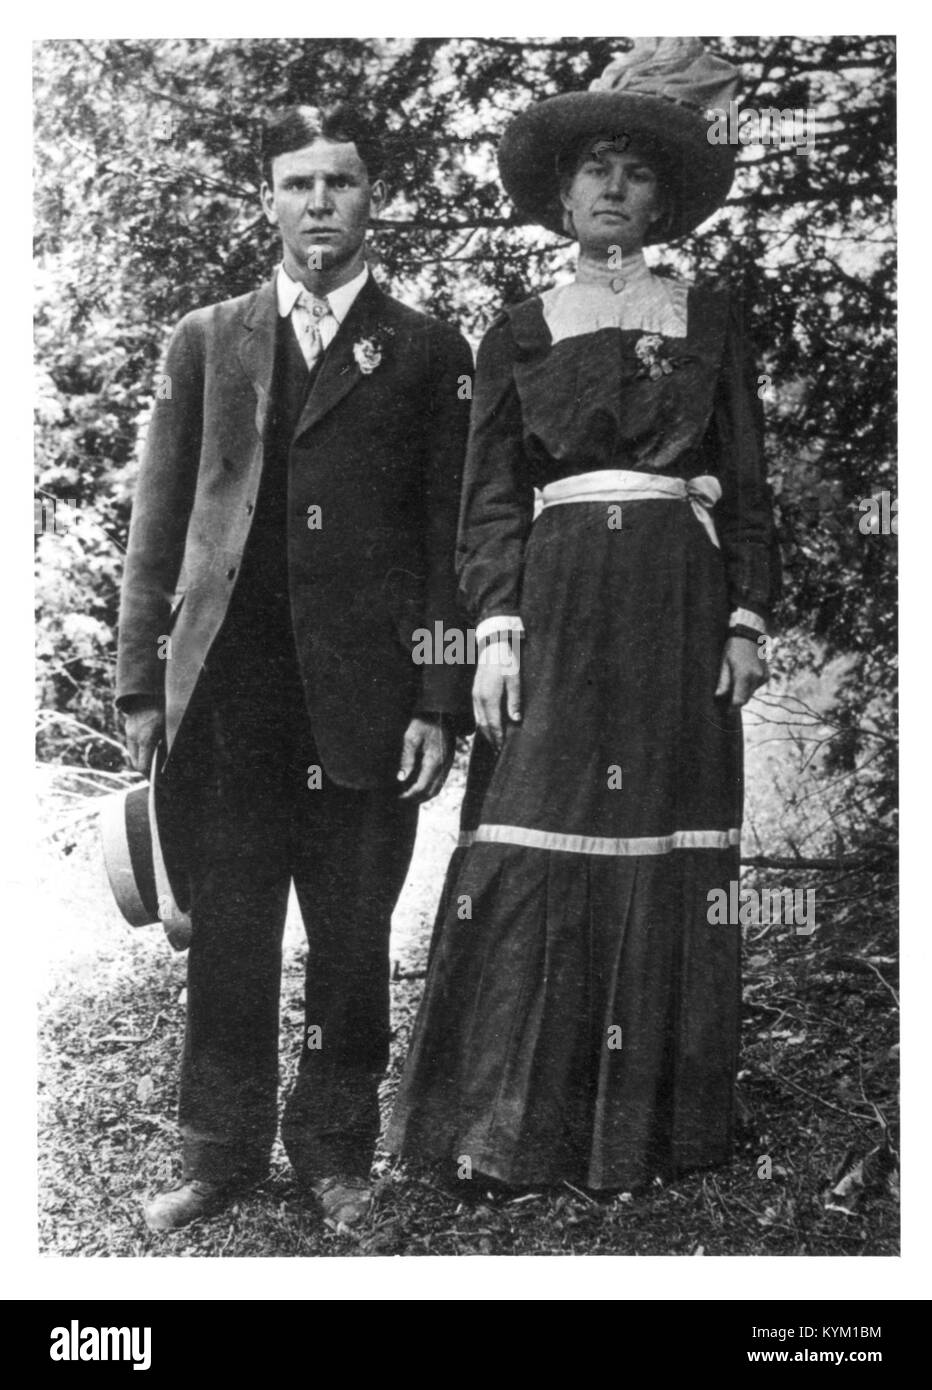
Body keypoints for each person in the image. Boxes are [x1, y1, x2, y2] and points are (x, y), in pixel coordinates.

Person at [387, 38, 780, 1193]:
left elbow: (744, 481)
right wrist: (493, 632)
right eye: (592, 170)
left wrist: (745, 618)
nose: (611, 188)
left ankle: (653, 1131)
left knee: (663, 825)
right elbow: (489, 496)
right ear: (560, 196)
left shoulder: (710, 318)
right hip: (556, 601)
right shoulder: (513, 329)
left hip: (673, 594)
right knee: (532, 820)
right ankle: (505, 1129)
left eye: (635, 172)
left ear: (664, 198)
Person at [116, 103, 473, 1231]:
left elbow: (448, 547)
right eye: (298, 183)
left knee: (352, 932)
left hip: (364, 702)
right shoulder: (206, 340)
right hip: (227, 693)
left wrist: (436, 697)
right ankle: (217, 1151)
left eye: (341, 182)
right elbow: (158, 522)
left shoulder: (427, 352)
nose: (319, 203)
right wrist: (139, 687)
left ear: (372, 200)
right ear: (266, 201)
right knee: (226, 928)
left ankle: (333, 1152)